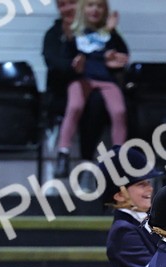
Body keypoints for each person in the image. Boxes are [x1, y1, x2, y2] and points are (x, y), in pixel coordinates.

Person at [53, 0, 129, 178]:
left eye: (99, 6)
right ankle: (63, 153)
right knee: (75, 107)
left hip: (105, 79)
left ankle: (119, 159)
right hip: (81, 80)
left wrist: (116, 59)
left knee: (119, 111)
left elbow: (124, 55)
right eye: (90, 5)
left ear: (105, 10)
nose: (95, 10)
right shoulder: (75, 31)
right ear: (82, 9)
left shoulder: (111, 34)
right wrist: (75, 65)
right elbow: (67, 57)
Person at [42, 0, 108, 163]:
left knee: (98, 103)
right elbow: (53, 63)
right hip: (62, 92)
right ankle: (63, 154)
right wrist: (74, 68)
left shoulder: (98, 31)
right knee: (78, 103)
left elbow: (110, 57)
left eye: (72, 3)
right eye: (62, 5)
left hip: (95, 90)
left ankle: (88, 160)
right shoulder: (53, 33)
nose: (68, 8)